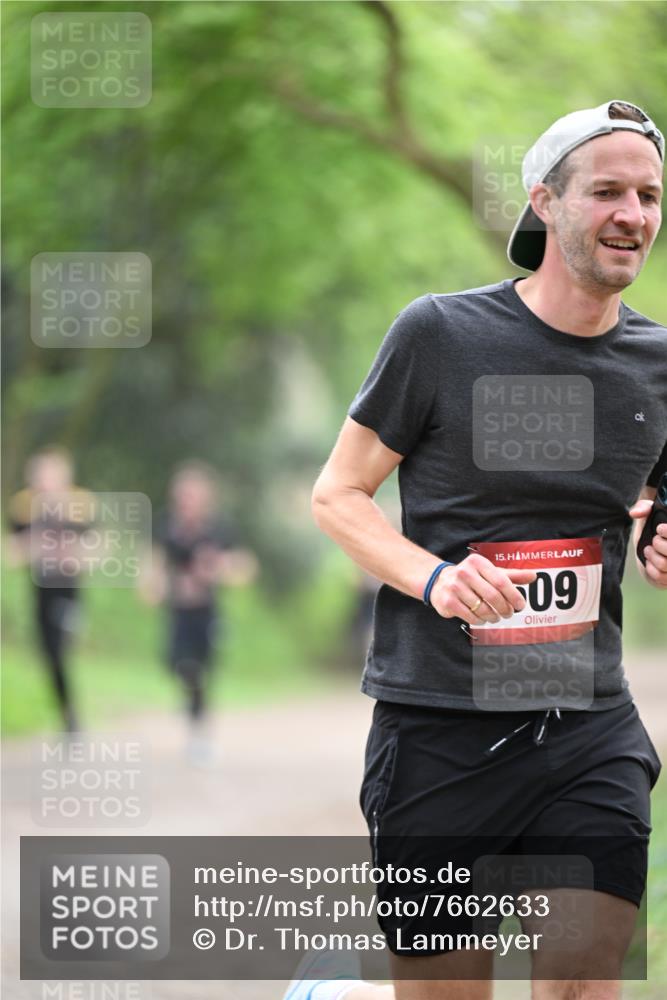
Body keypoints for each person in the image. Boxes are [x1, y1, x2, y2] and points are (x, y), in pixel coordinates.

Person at [289, 101, 667, 1000]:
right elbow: (338, 494)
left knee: (581, 986)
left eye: (649, 195)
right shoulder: (441, 335)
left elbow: (649, 500)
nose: (633, 215)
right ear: (544, 201)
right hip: (439, 728)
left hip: (586, 725)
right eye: (606, 192)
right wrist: (435, 579)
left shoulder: (659, 363)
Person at [142, 461, 257, 763]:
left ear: (206, 498)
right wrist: (152, 586)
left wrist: (218, 568)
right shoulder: (166, 526)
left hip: (207, 613)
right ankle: (191, 704)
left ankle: (198, 729)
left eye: (193, 495)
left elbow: (245, 568)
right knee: (175, 663)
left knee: (200, 669)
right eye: (183, 495)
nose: (187, 501)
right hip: (177, 611)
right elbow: (153, 563)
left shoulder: (219, 529)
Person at [7, 446, 94, 732]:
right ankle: (68, 714)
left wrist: (75, 554)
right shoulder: (24, 506)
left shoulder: (80, 504)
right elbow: (13, 551)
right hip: (40, 590)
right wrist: (34, 547)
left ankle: (71, 717)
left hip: (68, 590)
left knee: (59, 647)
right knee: (49, 655)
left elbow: (97, 546)